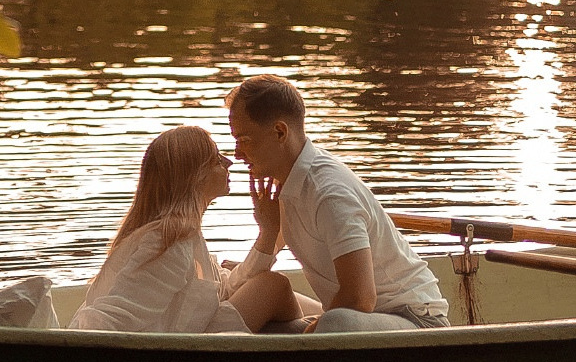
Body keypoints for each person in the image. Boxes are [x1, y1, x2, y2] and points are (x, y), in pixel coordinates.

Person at [227, 74, 451, 329]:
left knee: (335, 321)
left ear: (280, 132)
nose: (237, 154)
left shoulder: (329, 193)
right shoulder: (286, 184)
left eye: (244, 140)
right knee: (263, 307)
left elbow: (360, 298)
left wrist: (310, 335)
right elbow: (268, 250)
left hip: (415, 320)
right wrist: (269, 230)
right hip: (363, 321)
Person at [71, 124, 303, 334]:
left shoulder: (184, 235)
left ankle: (312, 331)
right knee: (274, 286)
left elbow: (226, 288)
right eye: (216, 159)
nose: (228, 163)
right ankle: (311, 341)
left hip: (197, 333)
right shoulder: (169, 241)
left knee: (283, 292)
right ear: (195, 176)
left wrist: (268, 232)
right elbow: (112, 318)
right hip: (189, 348)